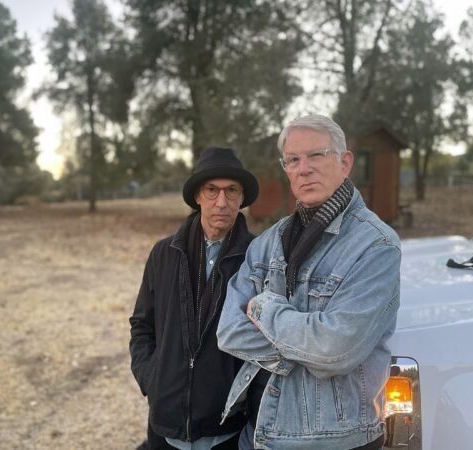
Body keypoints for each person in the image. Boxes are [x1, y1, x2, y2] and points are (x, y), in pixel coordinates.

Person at [216, 115, 401, 450]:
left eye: (316, 155)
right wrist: (308, 348)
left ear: (345, 163)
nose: (304, 169)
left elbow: (336, 350)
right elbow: (229, 331)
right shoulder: (268, 242)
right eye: (293, 160)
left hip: (333, 441)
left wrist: (263, 308)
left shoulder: (376, 246)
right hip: (258, 433)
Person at [129, 147, 260, 450]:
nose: (221, 202)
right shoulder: (164, 253)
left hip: (227, 433)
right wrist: (152, 379)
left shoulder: (258, 259)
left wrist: (247, 402)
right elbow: (142, 326)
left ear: (241, 198)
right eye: (212, 190)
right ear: (198, 196)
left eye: (231, 191)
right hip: (165, 429)